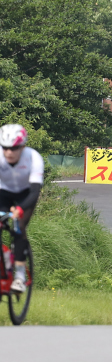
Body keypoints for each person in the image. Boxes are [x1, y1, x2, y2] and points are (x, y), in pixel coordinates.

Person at [0, 124, 43, 293]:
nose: (9, 152)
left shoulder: (34, 158)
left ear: (23, 146)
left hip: (25, 194)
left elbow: (34, 191)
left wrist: (20, 208)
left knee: (19, 227)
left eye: (14, 148)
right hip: (3, 193)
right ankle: (4, 261)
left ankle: (19, 276)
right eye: (5, 148)